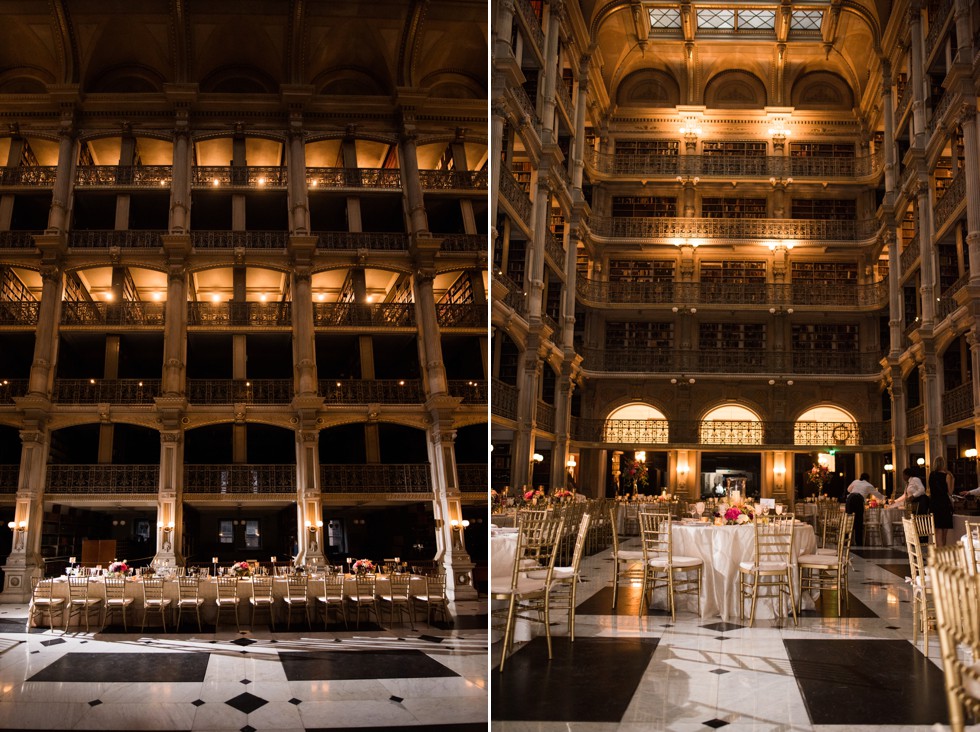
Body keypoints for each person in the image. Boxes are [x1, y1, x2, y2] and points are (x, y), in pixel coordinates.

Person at [845, 473, 885, 545]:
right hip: (858, 500)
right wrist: (884, 498)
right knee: (858, 520)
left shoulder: (855, 481)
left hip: (849, 499)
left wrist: (855, 490)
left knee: (848, 519)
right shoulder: (868, 485)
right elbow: (877, 494)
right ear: (868, 479)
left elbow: (848, 489)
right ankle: (858, 542)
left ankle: (846, 540)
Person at [928, 456, 955, 546]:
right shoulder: (947, 476)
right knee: (944, 533)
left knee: (937, 531)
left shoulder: (931, 475)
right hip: (944, 504)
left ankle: (939, 554)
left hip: (934, 504)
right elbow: (950, 492)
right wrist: (952, 478)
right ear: (943, 464)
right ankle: (942, 554)